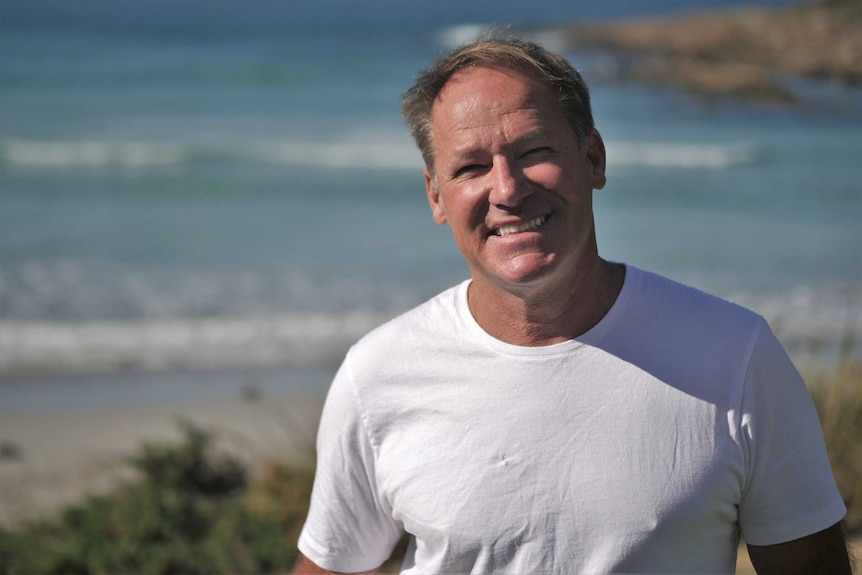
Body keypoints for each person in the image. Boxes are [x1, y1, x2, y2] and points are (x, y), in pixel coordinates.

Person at [293, 36, 851, 574]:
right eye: (470, 168)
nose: (507, 190)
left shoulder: (736, 357)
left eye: (534, 151)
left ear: (594, 158)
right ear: (436, 196)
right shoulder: (379, 374)